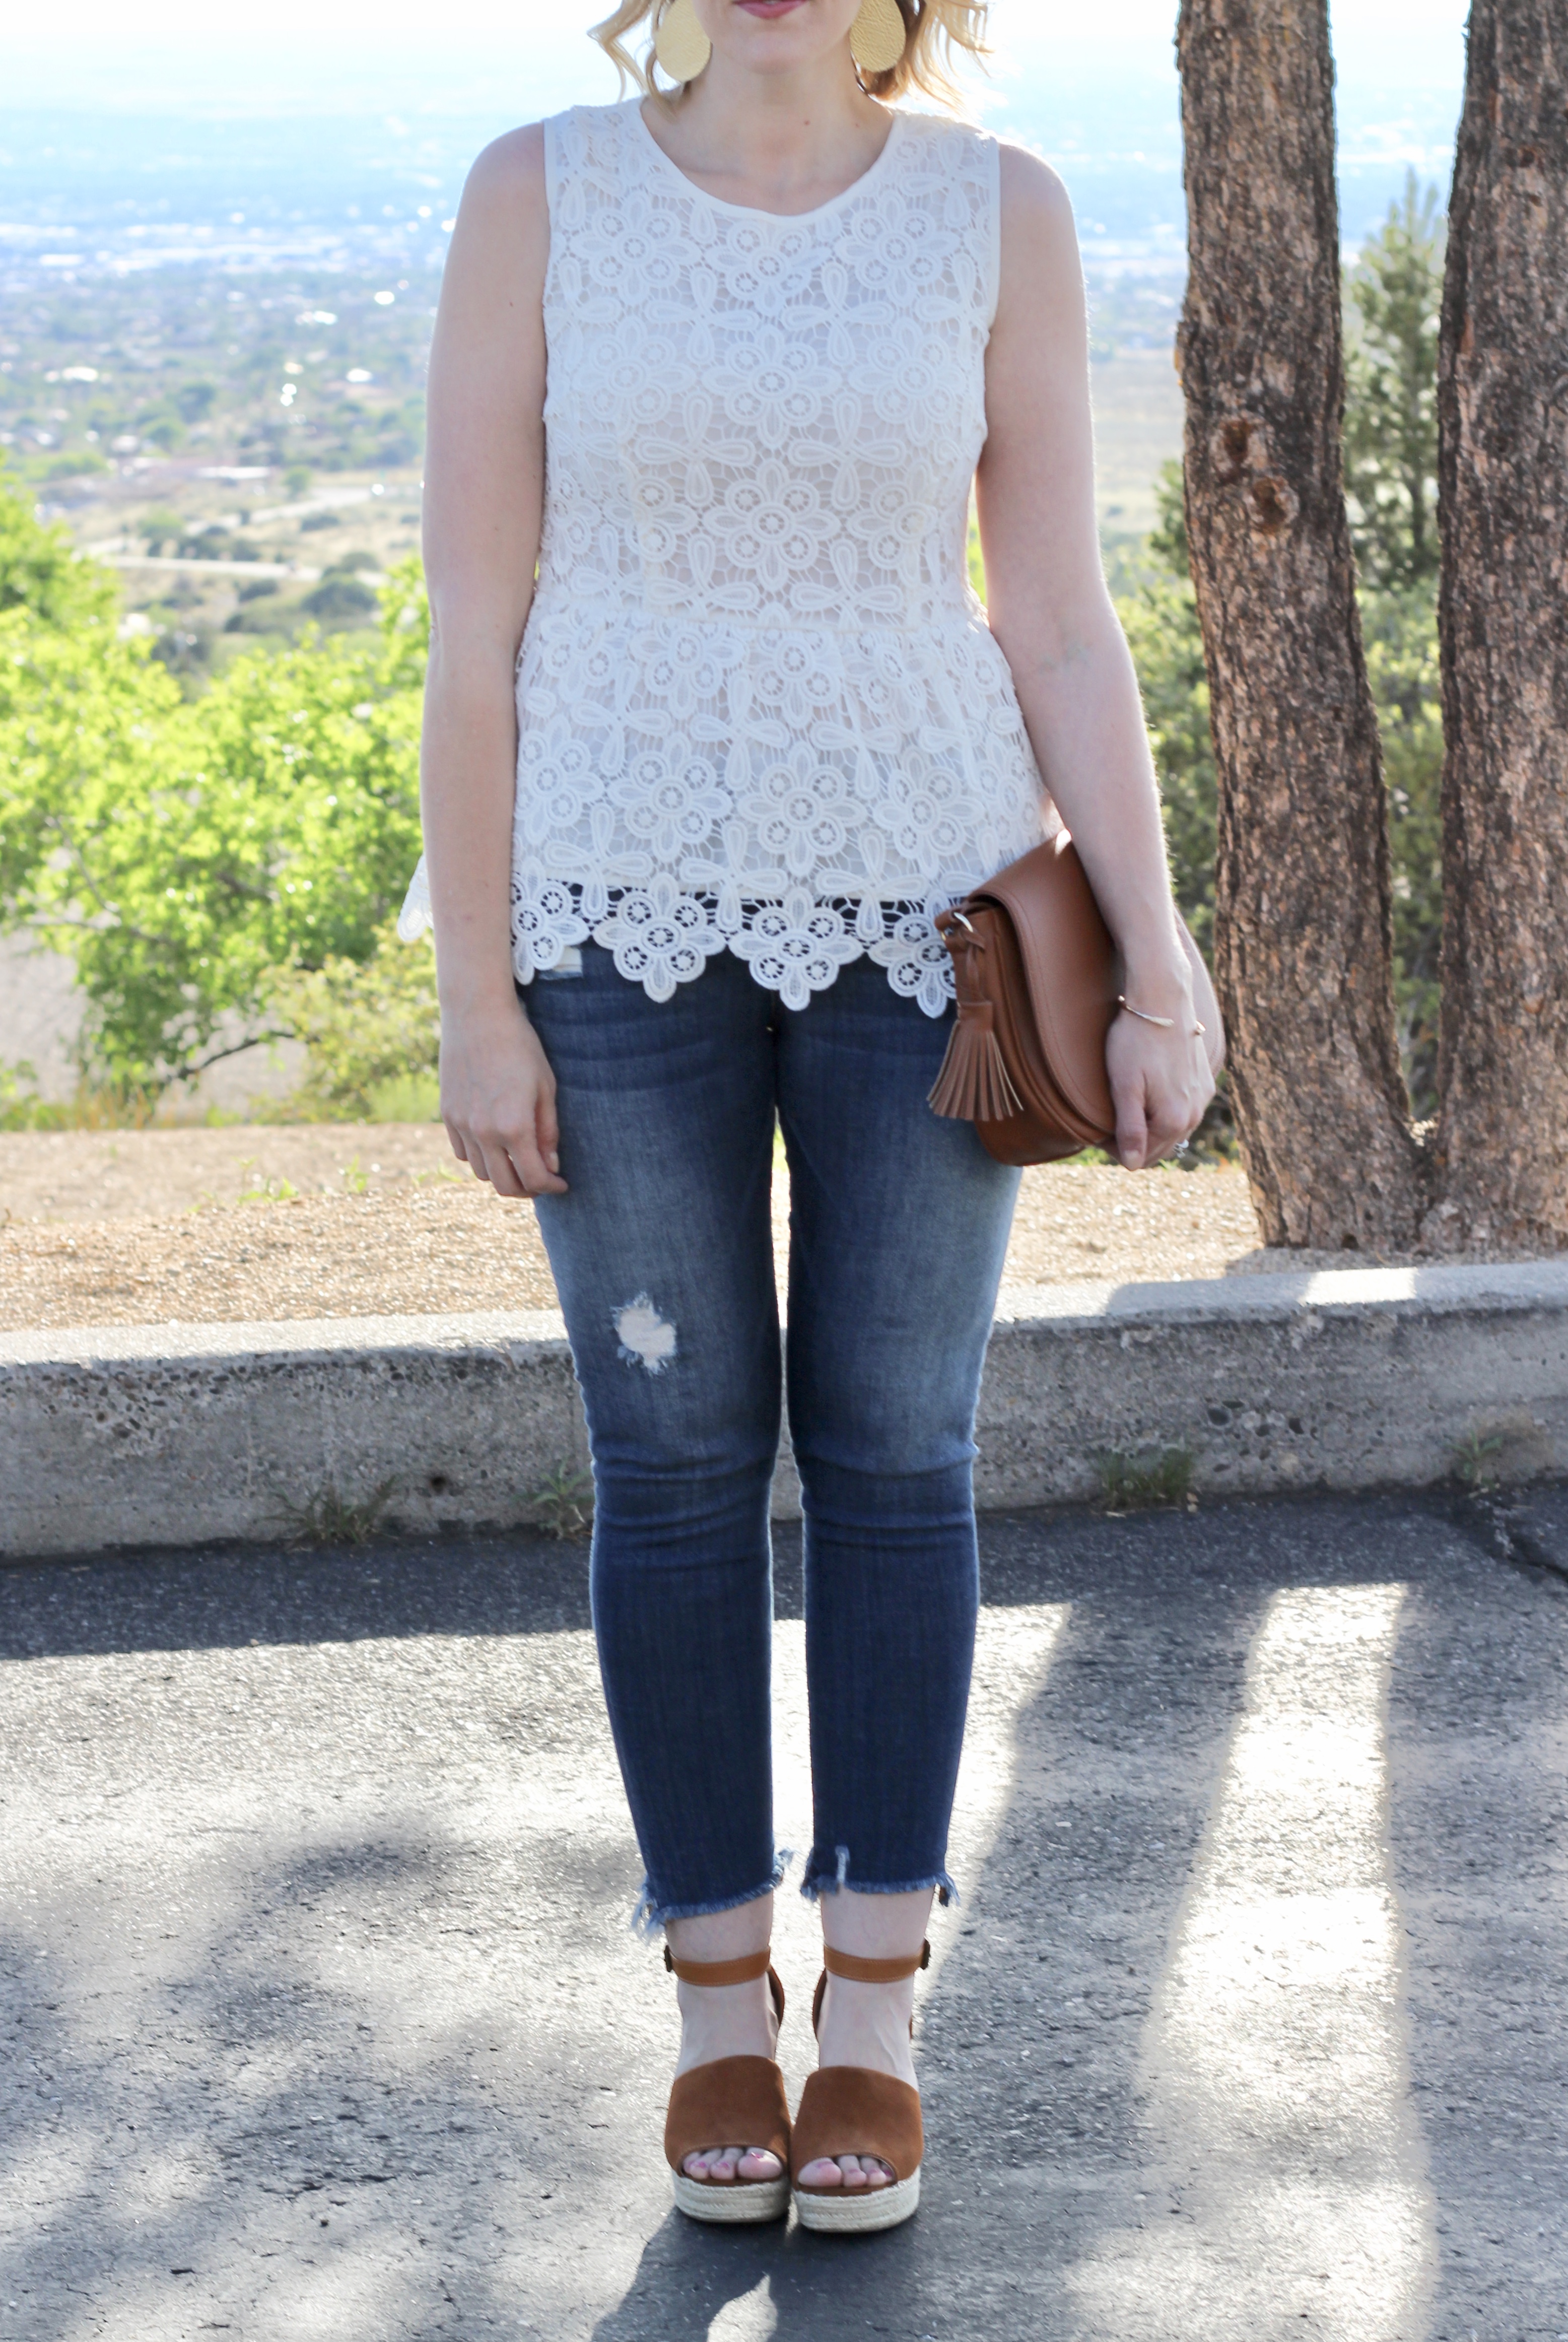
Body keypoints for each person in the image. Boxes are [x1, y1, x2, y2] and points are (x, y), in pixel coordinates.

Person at [404, 0, 1215, 2235]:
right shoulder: (531, 191)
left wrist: (1155, 947)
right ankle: (709, 2004)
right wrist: (476, 994)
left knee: (892, 1444)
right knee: (669, 1459)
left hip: (924, 912)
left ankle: (871, 2002)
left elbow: (1052, 612)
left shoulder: (995, 210)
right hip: (599, 909)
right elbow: (471, 627)